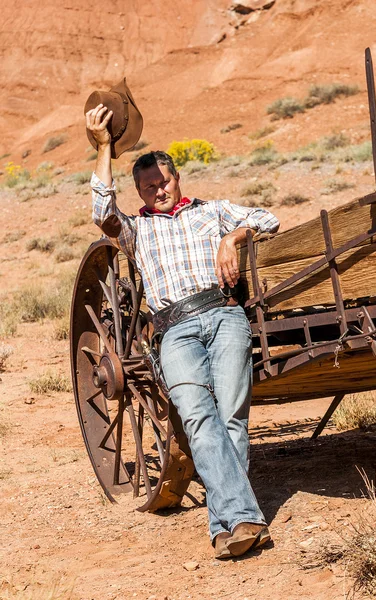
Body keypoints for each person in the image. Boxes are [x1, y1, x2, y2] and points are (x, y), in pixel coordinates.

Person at [86, 102, 280, 560]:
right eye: (148, 186)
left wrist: (234, 237)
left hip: (225, 316)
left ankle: (225, 525)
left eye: (164, 181)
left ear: (178, 179)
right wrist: (104, 148)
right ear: (139, 190)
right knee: (197, 419)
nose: (158, 190)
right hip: (174, 331)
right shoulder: (134, 231)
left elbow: (268, 218)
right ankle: (246, 517)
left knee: (231, 418)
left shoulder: (212, 212)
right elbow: (101, 210)